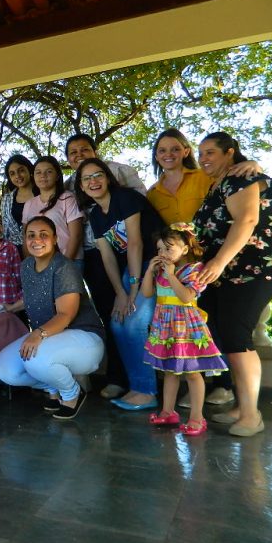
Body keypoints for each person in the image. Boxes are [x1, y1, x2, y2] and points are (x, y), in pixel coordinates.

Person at [147, 128, 261, 407]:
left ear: (185, 151)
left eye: (175, 148)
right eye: (162, 150)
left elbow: (244, 185)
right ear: (157, 156)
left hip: (210, 260)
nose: (168, 154)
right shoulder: (154, 192)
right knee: (185, 328)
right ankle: (193, 386)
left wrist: (255, 165)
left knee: (211, 323)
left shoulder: (204, 177)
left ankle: (222, 386)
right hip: (177, 265)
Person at [193, 132, 272, 437]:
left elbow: (246, 220)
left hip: (252, 270)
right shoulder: (219, 184)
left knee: (237, 336)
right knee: (227, 336)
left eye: (210, 152)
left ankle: (251, 414)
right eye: (201, 153)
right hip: (225, 275)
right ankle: (242, 405)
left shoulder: (241, 177)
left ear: (229, 152)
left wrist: (218, 262)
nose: (204, 158)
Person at [74, 158, 164, 410]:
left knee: (134, 322)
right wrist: (120, 293)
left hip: (154, 266)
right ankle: (135, 385)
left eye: (98, 175)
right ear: (80, 186)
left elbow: (135, 244)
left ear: (107, 177)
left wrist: (132, 291)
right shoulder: (95, 215)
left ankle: (146, 390)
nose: (93, 181)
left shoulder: (124, 198)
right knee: (117, 322)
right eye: (87, 178)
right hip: (131, 270)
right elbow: (107, 256)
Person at [0, 216, 105, 420]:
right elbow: (33, 297)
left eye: (43, 235)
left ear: (55, 239)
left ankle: (72, 393)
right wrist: (10, 308)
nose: (37, 240)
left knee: (35, 359)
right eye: (31, 235)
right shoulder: (26, 266)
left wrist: (37, 333)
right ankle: (53, 386)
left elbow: (66, 313)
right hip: (52, 337)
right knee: (5, 368)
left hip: (84, 337)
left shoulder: (64, 267)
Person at [64, 134, 146, 400]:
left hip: (133, 252)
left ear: (95, 151)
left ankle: (144, 382)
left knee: (136, 317)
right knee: (113, 315)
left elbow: (143, 207)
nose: (79, 155)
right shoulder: (68, 186)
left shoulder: (120, 172)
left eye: (84, 149)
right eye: (73, 152)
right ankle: (117, 377)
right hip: (96, 256)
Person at [142, 224, 227, 436]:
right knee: (169, 370)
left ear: (185, 250)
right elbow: (146, 293)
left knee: (192, 372)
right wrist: (149, 272)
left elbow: (187, 296)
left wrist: (171, 275)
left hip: (186, 327)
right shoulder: (161, 270)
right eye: (160, 249)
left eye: (169, 248)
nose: (163, 253)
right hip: (165, 326)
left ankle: (197, 418)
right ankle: (167, 411)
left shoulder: (194, 269)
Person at [22, 156, 83, 262]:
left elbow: (76, 235)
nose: (43, 176)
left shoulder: (67, 198)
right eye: (38, 172)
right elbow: (26, 237)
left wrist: (65, 265)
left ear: (57, 176)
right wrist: (30, 264)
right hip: (40, 264)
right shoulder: (29, 204)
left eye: (49, 172)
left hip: (69, 260)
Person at [0, 154, 36, 250]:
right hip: (14, 250)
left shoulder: (43, 193)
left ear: (29, 170)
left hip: (40, 246)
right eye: (12, 173)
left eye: (21, 170)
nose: (17, 176)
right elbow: (5, 228)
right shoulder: (7, 199)